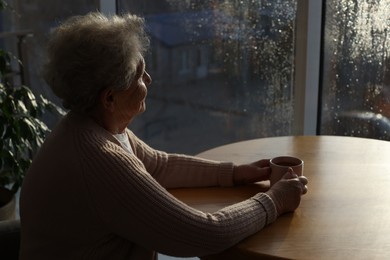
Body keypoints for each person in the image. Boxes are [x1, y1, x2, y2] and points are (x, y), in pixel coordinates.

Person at [19, 12, 308, 260]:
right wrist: (274, 201)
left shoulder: (90, 127)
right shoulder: (98, 158)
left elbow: (159, 165)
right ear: (109, 98)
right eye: (140, 74)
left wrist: (235, 173)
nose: (149, 80)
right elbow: (204, 234)